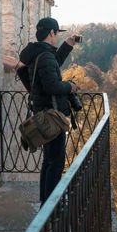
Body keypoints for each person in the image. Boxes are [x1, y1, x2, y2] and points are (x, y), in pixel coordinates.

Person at [19, 17, 80, 205]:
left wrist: (67, 46)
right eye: (57, 35)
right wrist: (69, 87)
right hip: (51, 116)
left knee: (49, 160)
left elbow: (51, 66)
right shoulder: (44, 55)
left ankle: (45, 201)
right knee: (56, 162)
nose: (57, 38)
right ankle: (51, 206)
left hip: (43, 113)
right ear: (52, 33)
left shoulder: (40, 53)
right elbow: (51, 84)